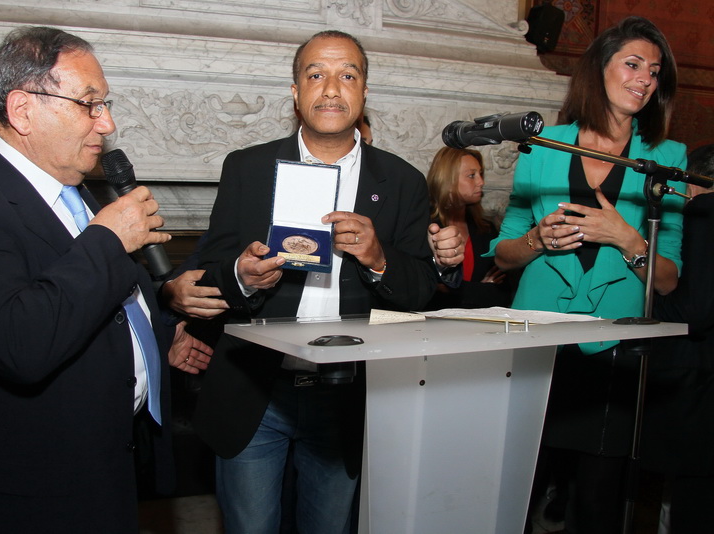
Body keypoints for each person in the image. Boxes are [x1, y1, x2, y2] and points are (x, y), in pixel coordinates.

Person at [0, 26, 211, 533]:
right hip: (36, 493)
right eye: (89, 104)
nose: (107, 123)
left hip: (112, 463)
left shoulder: (78, 193)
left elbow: (104, 300)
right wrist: (108, 240)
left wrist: (162, 334)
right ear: (23, 109)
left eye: (105, 104)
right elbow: (20, 342)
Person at [184, 30, 437, 533]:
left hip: (348, 395)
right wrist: (242, 274)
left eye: (348, 76)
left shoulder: (403, 181)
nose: (331, 89)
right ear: (296, 92)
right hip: (257, 390)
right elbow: (208, 274)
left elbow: (423, 290)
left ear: (364, 93)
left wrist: (378, 257)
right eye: (315, 75)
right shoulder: (248, 168)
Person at [487, 16, 687, 533]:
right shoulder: (545, 144)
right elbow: (503, 255)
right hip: (537, 340)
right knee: (516, 493)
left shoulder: (667, 159)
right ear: (600, 69)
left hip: (615, 348)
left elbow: (667, 280)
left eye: (654, 71)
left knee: (597, 502)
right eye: (633, 63)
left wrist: (627, 238)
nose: (645, 78)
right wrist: (536, 240)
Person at [641, 143, 714, 532]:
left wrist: (652, 308)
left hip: (697, 381)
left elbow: (694, 310)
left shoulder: (705, 211)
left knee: (691, 505)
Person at [424, 146, 511, 310]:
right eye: (471, 176)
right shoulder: (425, 226)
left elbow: (503, 291)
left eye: (480, 174)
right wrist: (480, 291)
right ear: (447, 180)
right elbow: (428, 289)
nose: (481, 182)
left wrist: (457, 291)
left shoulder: (486, 229)